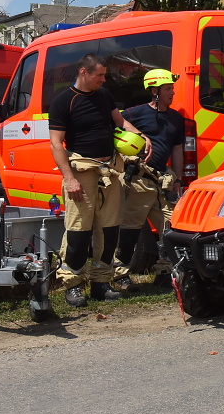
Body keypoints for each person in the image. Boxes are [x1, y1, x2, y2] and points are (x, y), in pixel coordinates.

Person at [48, 53, 152, 306]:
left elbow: (120, 122)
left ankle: (101, 283)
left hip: (110, 170)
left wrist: (140, 135)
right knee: (78, 232)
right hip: (82, 173)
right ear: (83, 72)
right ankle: (73, 284)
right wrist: (69, 179)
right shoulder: (63, 102)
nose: (104, 80)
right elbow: (56, 144)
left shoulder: (104, 96)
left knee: (109, 230)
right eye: (100, 75)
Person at [113, 68, 186, 290]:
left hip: (163, 181)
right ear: (154, 91)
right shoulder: (134, 114)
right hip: (138, 180)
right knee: (130, 229)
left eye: (172, 88)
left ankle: (165, 272)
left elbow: (177, 150)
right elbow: (115, 130)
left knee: (171, 226)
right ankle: (120, 275)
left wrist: (178, 180)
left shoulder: (176, 118)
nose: (172, 93)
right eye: (167, 89)